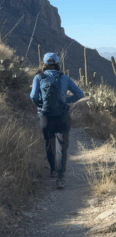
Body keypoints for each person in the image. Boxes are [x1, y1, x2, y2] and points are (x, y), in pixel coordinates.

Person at [30, 53, 84, 189]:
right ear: (58, 63)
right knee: (62, 146)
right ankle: (60, 177)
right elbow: (80, 94)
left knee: (49, 143)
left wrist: (40, 105)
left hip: (45, 116)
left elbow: (33, 96)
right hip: (62, 116)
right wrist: (66, 101)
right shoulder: (64, 77)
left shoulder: (38, 77)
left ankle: (53, 170)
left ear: (44, 63)